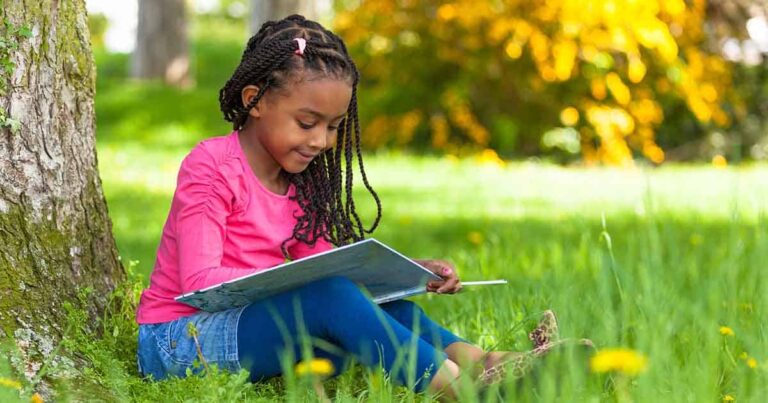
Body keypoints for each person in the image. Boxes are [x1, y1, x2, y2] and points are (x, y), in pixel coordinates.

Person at [135, 14, 559, 399]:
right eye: (307, 123)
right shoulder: (212, 166)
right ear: (255, 100)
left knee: (381, 305)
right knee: (333, 296)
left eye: (333, 127)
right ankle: (464, 392)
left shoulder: (302, 182)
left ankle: (486, 362)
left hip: (254, 326)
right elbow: (200, 280)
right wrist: (312, 286)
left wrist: (409, 271)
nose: (320, 141)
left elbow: (325, 267)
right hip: (178, 339)